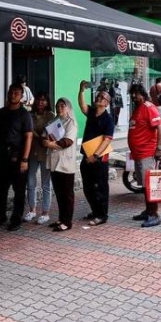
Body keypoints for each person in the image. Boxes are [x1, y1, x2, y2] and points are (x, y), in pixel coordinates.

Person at [0, 83, 34, 231]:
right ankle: (0, 216)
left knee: (18, 190)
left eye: (16, 93)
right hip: (3, 155)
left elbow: (29, 137)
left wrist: (24, 159)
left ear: (21, 95)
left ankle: (16, 219)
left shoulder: (25, 114)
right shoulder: (2, 112)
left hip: (18, 156)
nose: (12, 95)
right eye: (11, 92)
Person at [78, 81, 115, 225]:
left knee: (100, 187)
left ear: (107, 104)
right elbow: (82, 105)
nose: (99, 98)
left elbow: (107, 140)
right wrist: (81, 90)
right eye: (99, 96)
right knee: (88, 187)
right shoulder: (92, 113)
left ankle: (102, 215)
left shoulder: (108, 120)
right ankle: (94, 210)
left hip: (99, 159)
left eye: (103, 98)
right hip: (86, 156)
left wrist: (95, 156)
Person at [127, 84, 161, 227]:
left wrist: (159, 149)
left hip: (147, 153)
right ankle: (148, 211)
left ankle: (154, 214)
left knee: (149, 185)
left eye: (136, 93)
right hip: (138, 154)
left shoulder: (149, 107)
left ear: (142, 93)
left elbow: (159, 127)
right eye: (132, 94)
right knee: (144, 184)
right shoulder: (138, 108)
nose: (134, 96)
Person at [44, 97, 79, 232]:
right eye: (58, 106)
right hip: (54, 161)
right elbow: (45, 135)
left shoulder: (72, 123)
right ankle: (61, 218)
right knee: (59, 193)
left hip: (65, 162)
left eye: (62, 106)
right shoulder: (53, 121)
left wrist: (51, 144)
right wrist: (45, 141)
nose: (59, 109)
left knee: (67, 194)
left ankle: (67, 222)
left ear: (68, 108)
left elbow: (68, 141)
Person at [25, 92, 55, 225]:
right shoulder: (29, 115)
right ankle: (32, 210)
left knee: (46, 184)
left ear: (47, 102)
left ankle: (45, 212)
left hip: (46, 153)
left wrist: (41, 136)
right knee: (30, 183)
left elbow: (54, 134)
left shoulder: (51, 116)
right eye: (38, 99)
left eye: (43, 100)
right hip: (32, 153)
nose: (40, 102)